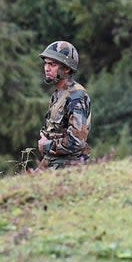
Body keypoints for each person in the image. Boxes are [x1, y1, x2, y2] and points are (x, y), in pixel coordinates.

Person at [36, 40, 92, 168]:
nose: (46, 68)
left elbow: (76, 141)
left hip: (68, 165)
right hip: (52, 161)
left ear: (66, 68)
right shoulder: (58, 94)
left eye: (52, 64)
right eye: (45, 63)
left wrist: (46, 145)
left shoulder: (77, 96)